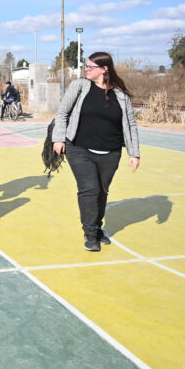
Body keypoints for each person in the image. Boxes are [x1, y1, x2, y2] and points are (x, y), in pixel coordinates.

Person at [52, 52, 140, 252]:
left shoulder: (121, 95)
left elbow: (131, 125)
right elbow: (63, 112)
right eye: (86, 66)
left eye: (91, 67)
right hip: (79, 148)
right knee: (90, 189)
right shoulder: (80, 86)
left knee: (102, 191)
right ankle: (90, 233)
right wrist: (58, 138)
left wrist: (134, 153)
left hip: (111, 152)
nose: (87, 70)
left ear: (104, 69)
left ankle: (97, 228)